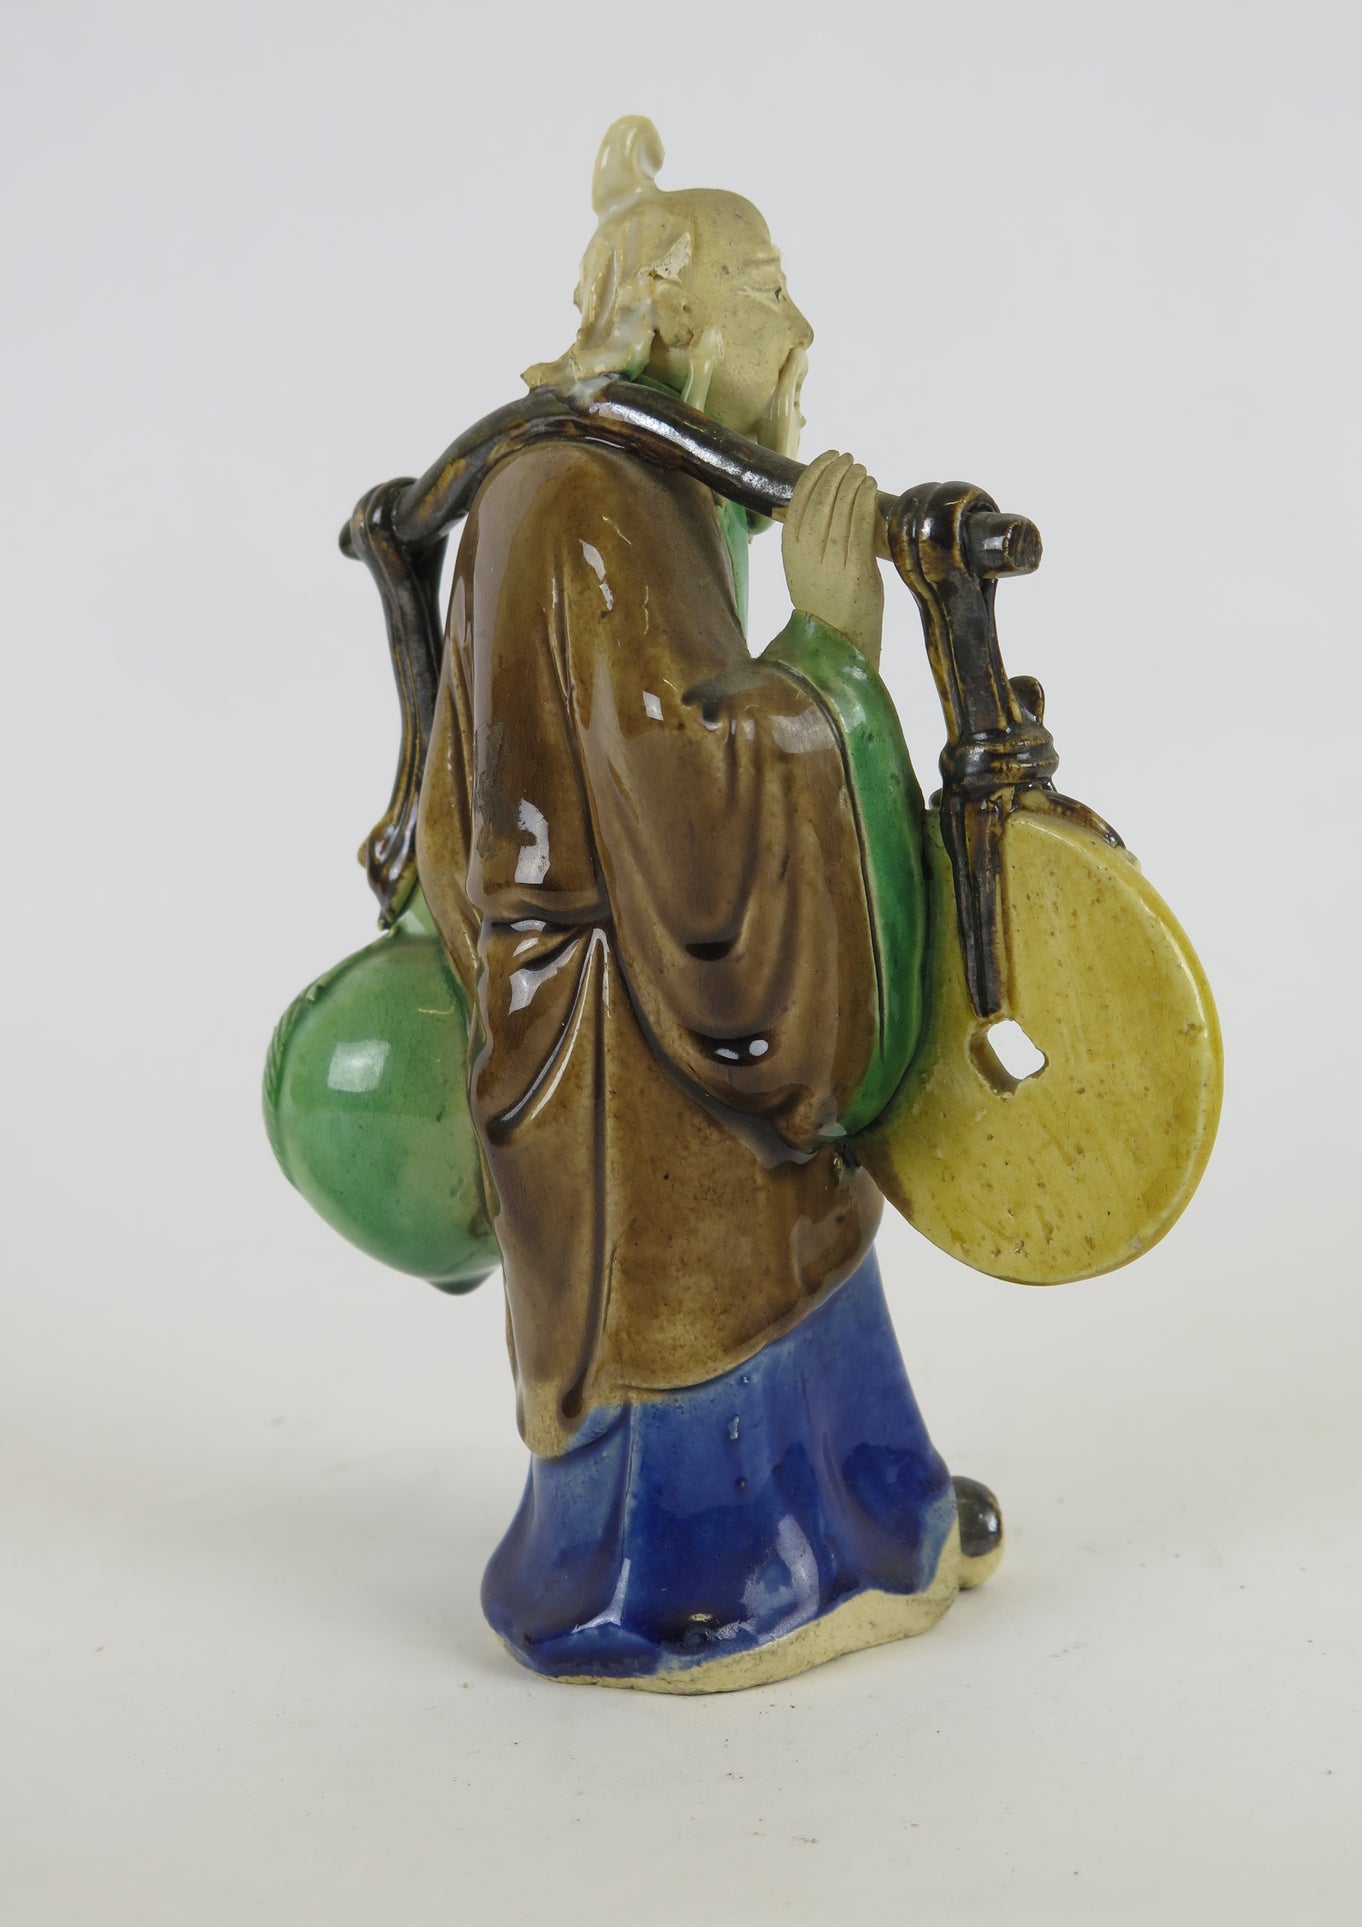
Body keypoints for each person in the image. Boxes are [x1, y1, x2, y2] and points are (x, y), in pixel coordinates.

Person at [416, 117, 1000, 1692]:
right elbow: (678, 790)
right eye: (763, 287)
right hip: (633, 1015)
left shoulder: (643, 483)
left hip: (679, 972)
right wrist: (825, 652)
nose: (796, 326)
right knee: (722, 1220)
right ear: (669, 316)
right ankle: (700, 1575)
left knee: (803, 1190)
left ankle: (861, 1510)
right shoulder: (577, 493)